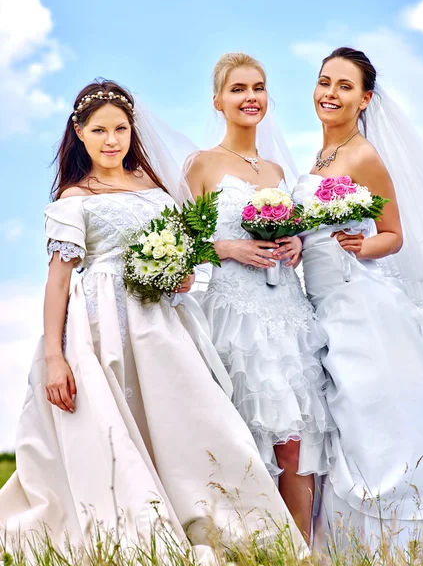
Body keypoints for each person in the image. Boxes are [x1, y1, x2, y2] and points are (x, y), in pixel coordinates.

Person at [0, 79, 308, 561]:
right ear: (78, 133)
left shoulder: (154, 186)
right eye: (99, 130)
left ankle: (233, 525)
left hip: (162, 324)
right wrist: (56, 358)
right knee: (115, 428)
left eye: (120, 129)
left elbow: (186, 250)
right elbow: (57, 284)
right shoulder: (74, 196)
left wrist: (183, 274)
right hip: (102, 329)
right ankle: (139, 527)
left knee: (194, 421)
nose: (111, 140)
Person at [292, 47, 423, 550]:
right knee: (341, 422)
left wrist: (364, 245)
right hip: (319, 307)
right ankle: (348, 546)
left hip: (359, 305)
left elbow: (393, 234)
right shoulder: (317, 158)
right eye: (324, 82)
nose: (330, 94)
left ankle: (399, 542)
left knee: (372, 419)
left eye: (344, 86)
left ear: (364, 99)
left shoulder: (363, 155)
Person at [187, 53, 335, 541]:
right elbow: (180, 242)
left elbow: (298, 232)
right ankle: (249, 547)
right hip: (233, 315)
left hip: (287, 313)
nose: (250, 97)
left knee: (297, 444)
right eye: (238, 89)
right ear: (218, 101)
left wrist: (296, 242)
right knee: (245, 442)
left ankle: (301, 552)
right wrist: (226, 247)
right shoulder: (201, 165)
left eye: (259, 87)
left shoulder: (276, 169)